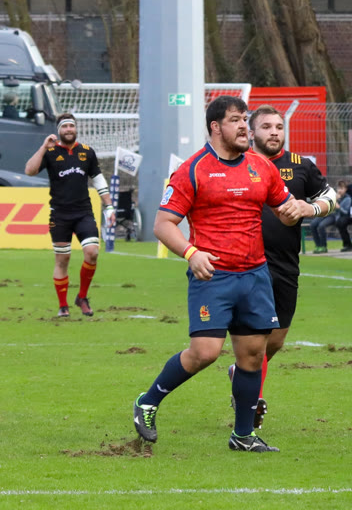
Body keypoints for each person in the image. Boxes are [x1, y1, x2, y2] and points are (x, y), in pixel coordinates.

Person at [132, 95, 315, 452]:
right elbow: (163, 224)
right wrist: (191, 253)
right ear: (216, 127)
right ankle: (147, 401)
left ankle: (242, 435)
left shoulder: (261, 167)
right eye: (236, 120)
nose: (244, 126)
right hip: (213, 276)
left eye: (245, 119)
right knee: (205, 352)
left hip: (255, 275)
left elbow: (283, 209)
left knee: (252, 355)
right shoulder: (193, 170)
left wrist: (296, 210)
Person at [229, 104, 336, 431]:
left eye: (278, 126)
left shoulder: (300, 166)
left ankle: (240, 375)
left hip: (286, 264)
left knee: (274, 342)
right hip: (246, 265)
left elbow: (330, 196)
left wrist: (309, 208)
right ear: (251, 132)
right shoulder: (236, 163)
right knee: (256, 340)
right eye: (266, 127)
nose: (274, 132)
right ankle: (251, 404)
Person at [23, 112, 114, 318]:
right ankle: (63, 306)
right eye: (64, 127)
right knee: (62, 259)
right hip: (59, 215)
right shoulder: (50, 152)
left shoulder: (87, 152)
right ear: (59, 131)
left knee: (92, 252)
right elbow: (29, 170)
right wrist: (43, 147)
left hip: (84, 213)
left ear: (76, 128)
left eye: (71, 126)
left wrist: (109, 206)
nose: (69, 130)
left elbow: (98, 179)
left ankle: (82, 297)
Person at [309, 181, 349, 254]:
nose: (339, 190)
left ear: (345, 189)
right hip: (326, 213)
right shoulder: (334, 195)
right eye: (339, 188)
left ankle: (323, 246)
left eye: (342, 188)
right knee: (313, 224)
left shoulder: (347, 198)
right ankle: (318, 245)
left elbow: (346, 212)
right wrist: (334, 199)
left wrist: (338, 207)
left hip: (335, 216)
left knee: (321, 226)